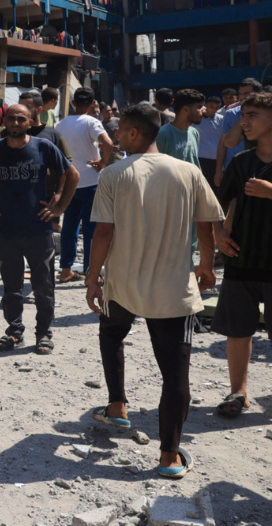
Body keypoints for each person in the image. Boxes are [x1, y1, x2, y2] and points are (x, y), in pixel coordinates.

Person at [85, 103, 221, 478]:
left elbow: (103, 232)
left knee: (111, 334)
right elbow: (207, 223)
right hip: (173, 288)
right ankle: (169, 457)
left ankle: (117, 407)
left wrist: (93, 276)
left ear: (132, 134)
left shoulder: (114, 175)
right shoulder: (188, 171)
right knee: (175, 374)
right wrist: (206, 265)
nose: (114, 138)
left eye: (119, 131)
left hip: (123, 284)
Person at [0, 105, 79, 354]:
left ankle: (44, 332)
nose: (15, 123)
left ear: (29, 122)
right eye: (11, 119)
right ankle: (14, 332)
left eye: (20, 119)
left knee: (44, 286)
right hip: (6, 231)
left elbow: (72, 175)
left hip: (39, 231)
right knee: (11, 288)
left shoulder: (43, 146)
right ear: (4, 121)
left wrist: (60, 207)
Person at [211, 91, 272, 417]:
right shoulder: (241, 162)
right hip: (242, 259)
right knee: (238, 330)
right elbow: (218, 205)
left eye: (252, 115)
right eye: (242, 115)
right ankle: (238, 392)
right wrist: (219, 233)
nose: (244, 122)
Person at [53, 87, 115, 283]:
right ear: (92, 104)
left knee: (69, 228)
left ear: (73, 103)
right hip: (91, 182)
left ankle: (66, 270)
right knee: (91, 230)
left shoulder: (59, 124)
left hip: (71, 183)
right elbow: (108, 143)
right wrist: (104, 162)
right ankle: (91, 272)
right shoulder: (91, 122)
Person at [215, 78, 261, 187]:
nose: (243, 97)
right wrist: (218, 171)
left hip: (260, 168)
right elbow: (224, 143)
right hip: (234, 168)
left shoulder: (266, 114)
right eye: (240, 93)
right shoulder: (230, 113)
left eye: (247, 93)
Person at [156, 89, 203, 167]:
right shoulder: (162, 134)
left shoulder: (194, 132)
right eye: (199, 107)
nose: (203, 111)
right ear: (186, 109)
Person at [197, 95, 224, 190]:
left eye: (217, 107)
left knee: (214, 187)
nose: (214, 109)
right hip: (201, 156)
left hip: (216, 158)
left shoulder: (221, 119)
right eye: (212, 107)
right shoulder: (197, 118)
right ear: (206, 105)